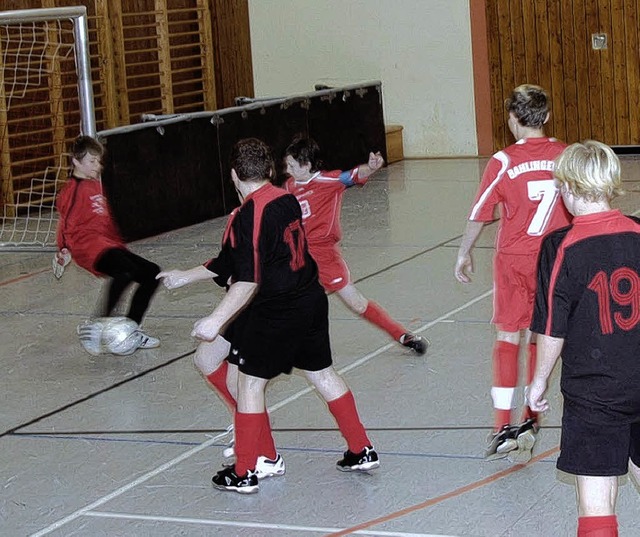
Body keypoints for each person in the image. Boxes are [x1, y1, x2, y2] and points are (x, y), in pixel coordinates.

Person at [187, 138, 379, 494]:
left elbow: (247, 279)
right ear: (272, 171)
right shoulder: (287, 198)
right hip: (310, 297)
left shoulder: (251, 213)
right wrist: (187, 275)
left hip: (277, 309)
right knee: (323, 373)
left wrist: (215, 319)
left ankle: (245, 471)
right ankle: (361, 449)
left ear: (233, 175)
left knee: (249, 383)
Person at [527, 140, 640, 537]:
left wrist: (538, 381)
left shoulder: (561, 247)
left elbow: (553, 327)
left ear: (571, 188)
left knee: (597, 502)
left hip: (595, 394)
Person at [454, 84, 571, 461]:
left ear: (512, 119)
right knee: (542, 334)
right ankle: (531, 417)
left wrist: (464, 252)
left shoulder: (503, 161)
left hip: (515, 259)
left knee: (508, 334)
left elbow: (479, 214)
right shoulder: (566, 156)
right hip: (554, 259)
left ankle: (501, 425)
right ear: (547, 116)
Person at [282, 136, 428, 355]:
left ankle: (402, 335)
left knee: (357, 303)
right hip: (297, 255)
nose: (287, 169)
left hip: (324, 256)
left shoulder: (328, 182)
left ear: (307, 165)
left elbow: (352, 176)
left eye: (292, 165)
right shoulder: (289, 186)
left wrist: (370, 168)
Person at [54, 135, 161, 353]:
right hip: (88, 248)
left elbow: (105, 220)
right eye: (92, 161)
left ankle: (130, 328)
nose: (98, 166)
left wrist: (120, 246)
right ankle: (97, 323)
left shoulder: (95, 186)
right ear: (76, 162)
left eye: (98, 161)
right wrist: (63, 250)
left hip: (108, 245)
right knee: (125, 273)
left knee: (152, 273)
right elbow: (64, 223)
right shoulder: (72, 191)